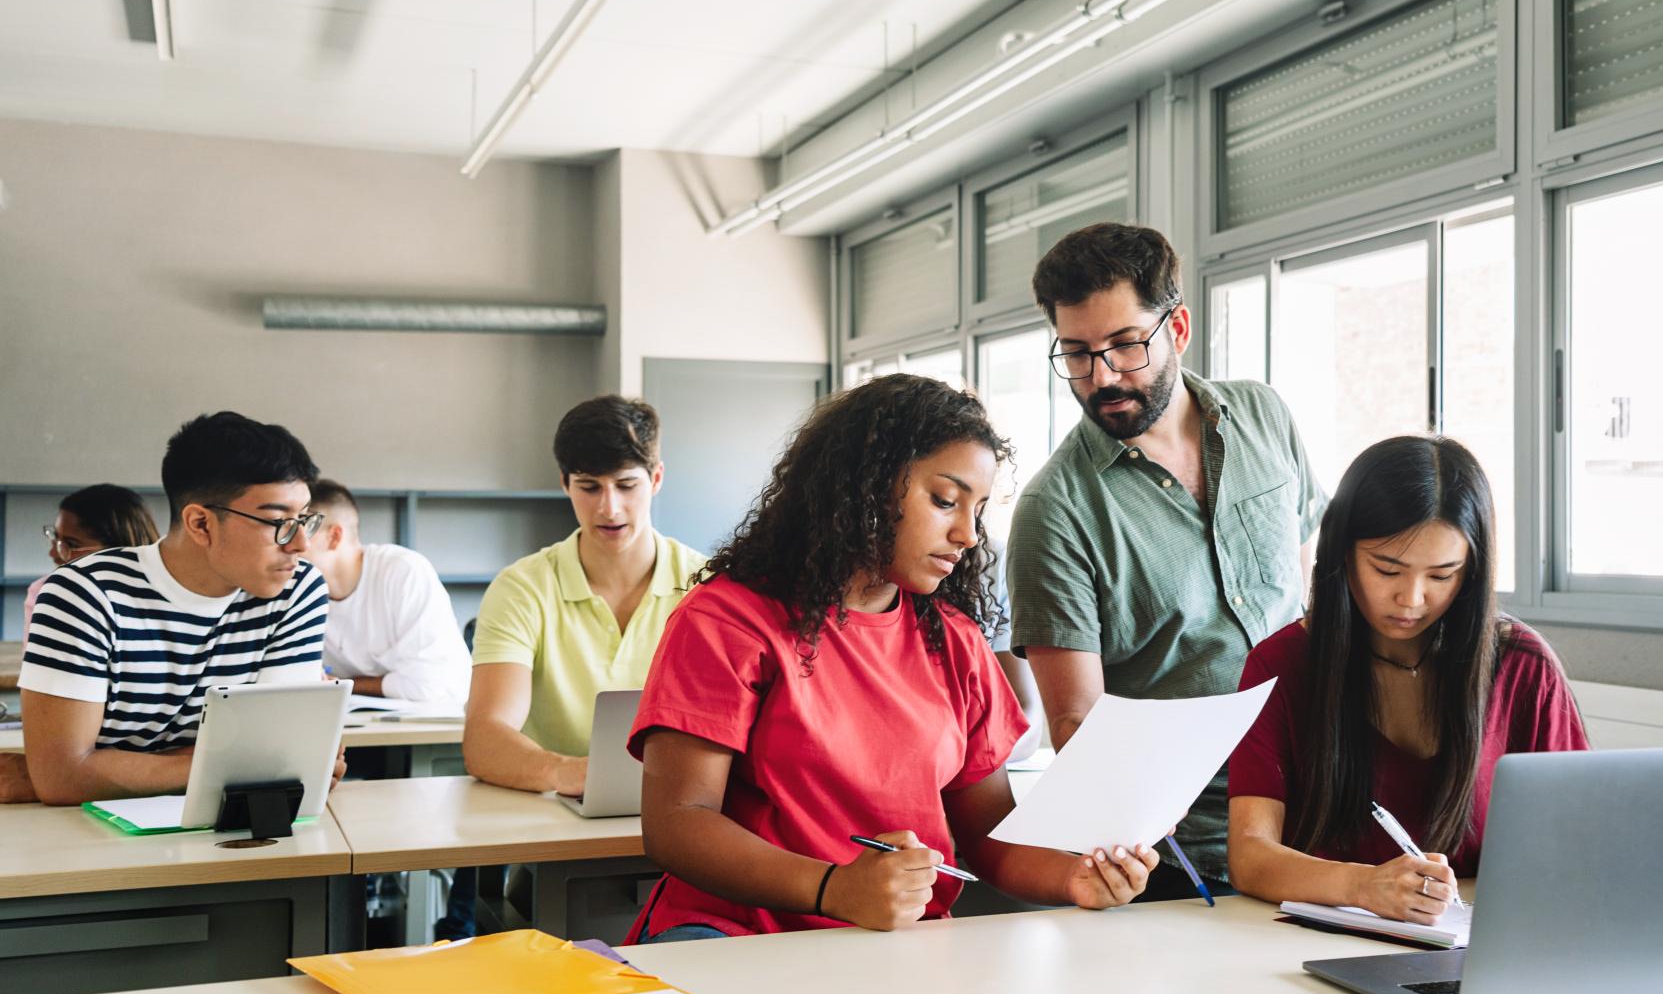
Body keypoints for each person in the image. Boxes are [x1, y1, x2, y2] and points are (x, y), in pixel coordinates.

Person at [628, 374, 1160, 942]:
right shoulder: (727, 621)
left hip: (896, 944)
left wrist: (1077, 878)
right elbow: (678, 823)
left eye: (976, 511)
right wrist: (834, 888)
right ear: (866, 485)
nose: (968, 535)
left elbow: (989, 840)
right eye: (944, 500)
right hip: (736, 936)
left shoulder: (955, 641)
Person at [1007, 222, 1323, 899]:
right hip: (1184, 858)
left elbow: (1303, 604)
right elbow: (1075, 724)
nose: (1102, 377)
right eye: (1078, 354)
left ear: (1177, 327)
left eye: (1125, 345)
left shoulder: (1264, 417)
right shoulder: (1054, 510)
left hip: (1315, 819)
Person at [1226, 435, 1589, 923]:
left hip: (1485, 940)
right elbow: (1250, 856)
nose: (1412, 599)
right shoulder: (1280, 665)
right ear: (1342, 553)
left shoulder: (1524, 667)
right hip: (1319, 943)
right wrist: (1364, 885)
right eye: (1387, 569)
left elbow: (1581, 837)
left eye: (1442, 576)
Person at [2, 412, 335, 806]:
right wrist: (236, 764)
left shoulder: (297, 588)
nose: (300, 544)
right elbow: (62, 779)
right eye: (278, 521)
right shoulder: (82, 594)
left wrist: (112, 767)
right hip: (86, 841)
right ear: (201, 524)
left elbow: (282, 760)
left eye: (304, 519)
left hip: (230, 831)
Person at [464, 395, 704, 796]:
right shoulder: (522, 588)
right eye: (589, 487)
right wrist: (569, 774)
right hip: (555, 813)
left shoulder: (706, 584)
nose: (609, 508)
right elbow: (485, 738)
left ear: (656, 479)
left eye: (626, 485)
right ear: (564, 483)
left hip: (682, 806)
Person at [304, 480, 470, 703]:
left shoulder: (403, 571)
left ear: (334, 537)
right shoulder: (294, 588)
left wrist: (341, 684)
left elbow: (428, 684)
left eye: (301, 529)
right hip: (356, 721)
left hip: (437, 719)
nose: (288, 543)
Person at [24, 484, 160, 628]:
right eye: (56, 537)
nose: (53, 553)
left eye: (71, 544)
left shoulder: (170, 596)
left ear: (117, 549)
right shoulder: (45, 592)